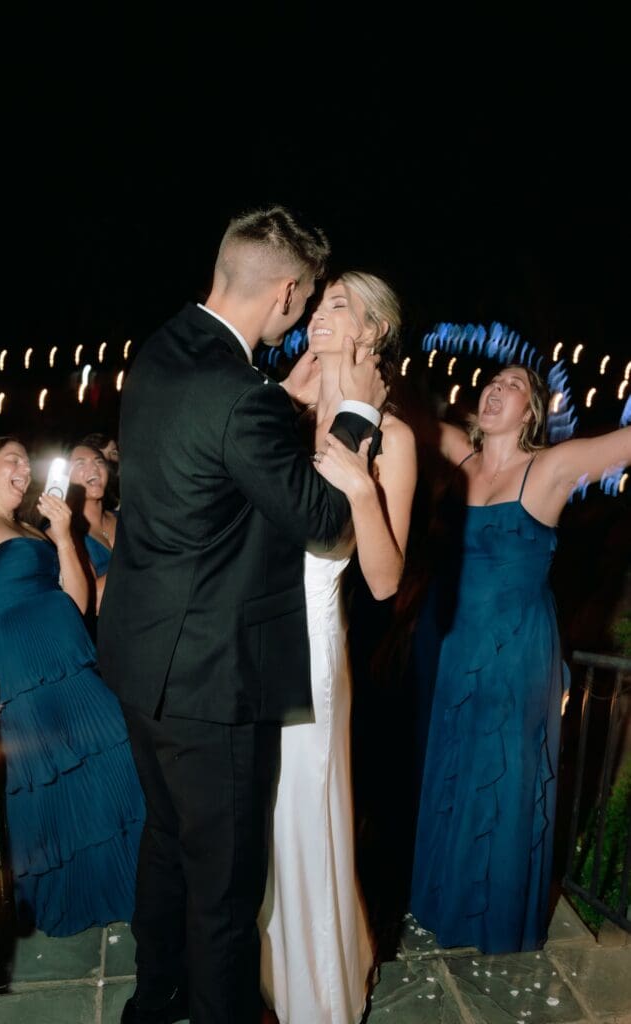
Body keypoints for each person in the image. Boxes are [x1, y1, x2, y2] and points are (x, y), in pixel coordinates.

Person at [96, 204, 387, 1024]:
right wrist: (357, 413)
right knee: (223, 893)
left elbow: (220, 469)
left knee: (165, 850)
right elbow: (327, 523)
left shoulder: (162, 350)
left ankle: (153, 1006)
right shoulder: (240, 397)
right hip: (209, 682)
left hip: (139, 659)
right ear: (289, 292)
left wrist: (279, 397)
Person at [409, 365, 631, 954]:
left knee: (503, 779)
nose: (494, 389)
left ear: (531, 411)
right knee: (456, 768)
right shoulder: (460, 457)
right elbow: (406, 415)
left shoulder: (550, 468)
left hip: (517, 655)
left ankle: (496, 926)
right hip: (457, 648)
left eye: (512, 386)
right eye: (492, 382)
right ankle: (443, 905)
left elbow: (623, 442)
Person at [258, 272, 417, 1024]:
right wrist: (287, 398)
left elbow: (385, 581)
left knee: (304, 813)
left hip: (313, 647)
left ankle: (316, 997)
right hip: (245, 642)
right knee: (255, 821)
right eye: (317, 303)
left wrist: (359, 487)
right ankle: (268, 973)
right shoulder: (279, 415)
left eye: (338, 306)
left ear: (372, 331)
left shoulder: (396, 438)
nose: (317, 314)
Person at [0, 437, 145, 937]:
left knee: (118, 764)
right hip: (25, 674)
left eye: (24, 461)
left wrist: (60, 534)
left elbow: (77, 602)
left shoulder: (34, 532)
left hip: (75, 664)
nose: (21, 467)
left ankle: (134, 887)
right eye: (10, 458)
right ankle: (72, 903)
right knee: (46, 787)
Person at [67, 441, 119, 615]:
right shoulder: (65, 534)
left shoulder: (128, 519)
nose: (94, 469)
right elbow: (92, 601)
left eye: (99, 462)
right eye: (80, 463)